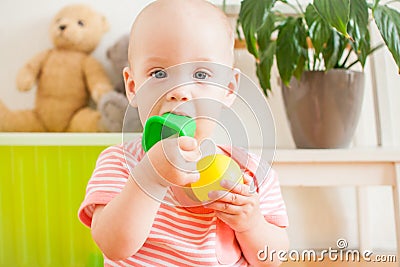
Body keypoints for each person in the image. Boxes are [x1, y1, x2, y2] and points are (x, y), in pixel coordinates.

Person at [78, 0, 289, 266]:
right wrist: (150, 177)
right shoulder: (119, 163)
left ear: (228, 88)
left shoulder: (250, 173)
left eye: (201, 73)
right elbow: (113, 245)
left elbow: (273, 259)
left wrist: (252, 224)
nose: (179, 91)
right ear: (133, 87)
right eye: (159, 73)